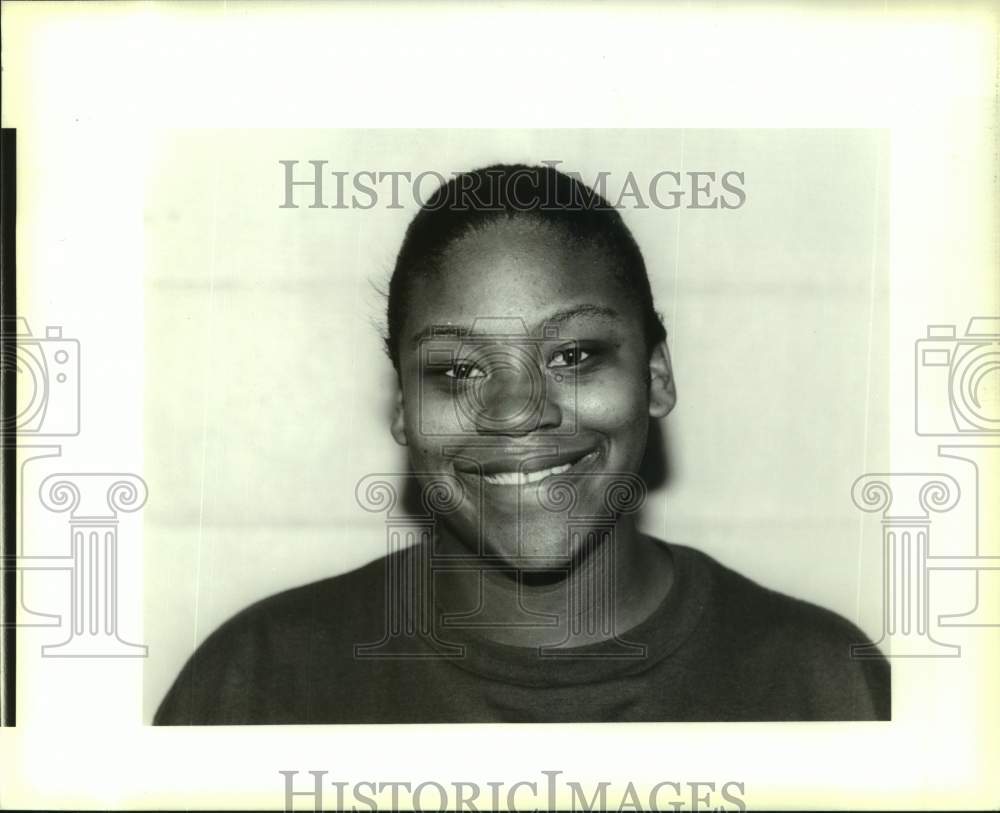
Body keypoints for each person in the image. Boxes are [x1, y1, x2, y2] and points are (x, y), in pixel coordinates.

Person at [154, 164, 889, 724]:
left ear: (656, 376)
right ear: (404, 408)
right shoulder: (260, 683)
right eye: (457, 369)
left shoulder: (825, 683)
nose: (516, 411)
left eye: (573, 355)